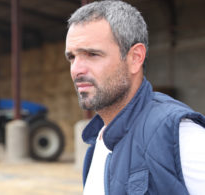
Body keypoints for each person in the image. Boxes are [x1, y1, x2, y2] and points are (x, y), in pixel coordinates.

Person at [65, 1, 205, 194]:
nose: (77, 70)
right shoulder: (97, 144)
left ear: (135, 58)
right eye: (72, 57)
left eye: (92, 54)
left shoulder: (179, 135)